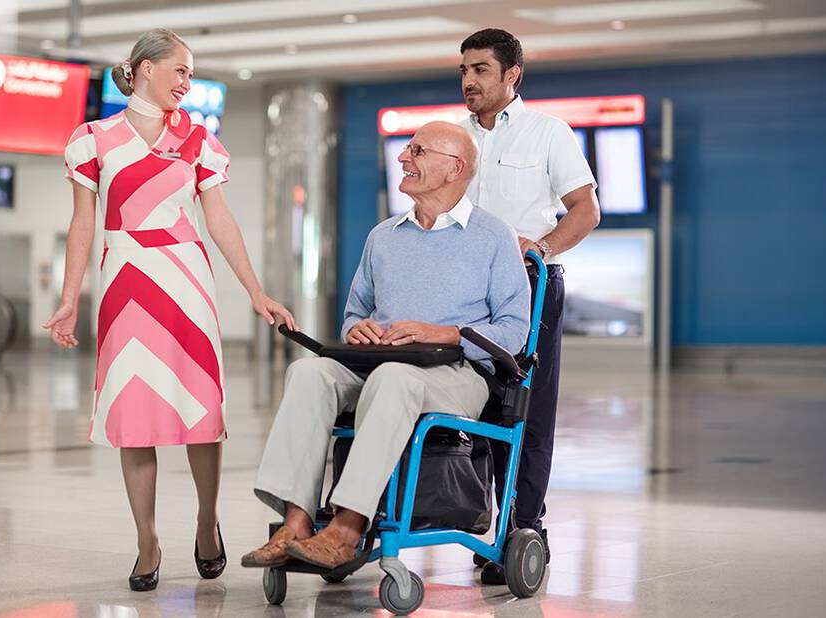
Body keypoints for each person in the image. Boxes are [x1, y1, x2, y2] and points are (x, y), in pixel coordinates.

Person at [44, 28, 295, 592]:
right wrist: (68, 298)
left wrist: (255, 291)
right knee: (135, 422)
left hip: (186, 284)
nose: (187, 81)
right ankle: (147, 540)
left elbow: (220, 220)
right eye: (179, 70)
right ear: (143, 69)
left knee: (200, 415)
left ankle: (207, 522)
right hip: (125, 282)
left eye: (190, 72)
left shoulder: (198, 140)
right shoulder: (93, 138)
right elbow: (83, 222)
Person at [241, 122, 530, 570]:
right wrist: (358, 328)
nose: (403, 157)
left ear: (455, 168)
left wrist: (448, 332)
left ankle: (346, 530)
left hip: (458, 375)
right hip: (381, 366)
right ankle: (295, 522)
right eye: (407, 149)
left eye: (417, 151)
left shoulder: (493, 237)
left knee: (395, 380)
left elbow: (514, 331)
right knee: (308, 372)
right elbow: (357, 312)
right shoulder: (384, 236)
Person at [457, 28, 601, 582]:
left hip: (530, 285)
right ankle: (477, 519)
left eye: (481, 70)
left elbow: (584, 211)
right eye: (464, 70)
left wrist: (538, 249)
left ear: (511, 74)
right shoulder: (453, 139)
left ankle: (523, 526)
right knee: (475, 405)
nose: (469, 80)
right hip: (463, 289)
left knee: (527, 409)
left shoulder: (548, 134)